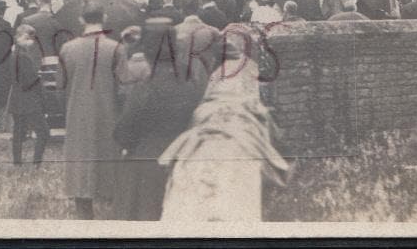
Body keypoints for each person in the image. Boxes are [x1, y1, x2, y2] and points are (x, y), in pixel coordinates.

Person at [159, 29, 289, 222]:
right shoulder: (250, 70)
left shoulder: (215, 74)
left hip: (213, 126)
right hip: (238, 126)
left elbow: (203, 104)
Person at [113, 19, 205, 220]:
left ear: (149, 49)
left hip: (149, 163)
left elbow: (125, 128)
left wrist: (128, 143)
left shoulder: (147, 85)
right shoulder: (189, 77)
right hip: (185, 155)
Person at [57, 3, 126, 219]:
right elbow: (124, 88)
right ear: (104, 17)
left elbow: (60, 87)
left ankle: (84, 213)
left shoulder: (68, 49)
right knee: (107, 158)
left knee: (80, 161)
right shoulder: (116, 48)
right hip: (109, 113)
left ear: (81, 20)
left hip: (77, 112)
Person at [8, 24, 50, 165]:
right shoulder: (24, 57)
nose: (31, 42)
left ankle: (17, 163)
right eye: (28, 38)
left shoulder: (13, 55)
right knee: (43, 132)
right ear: (21, 38)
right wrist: (38, 80)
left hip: (16, 99)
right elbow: (31, 81)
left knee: (18, 133)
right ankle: (37, 162)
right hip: (30, 101)